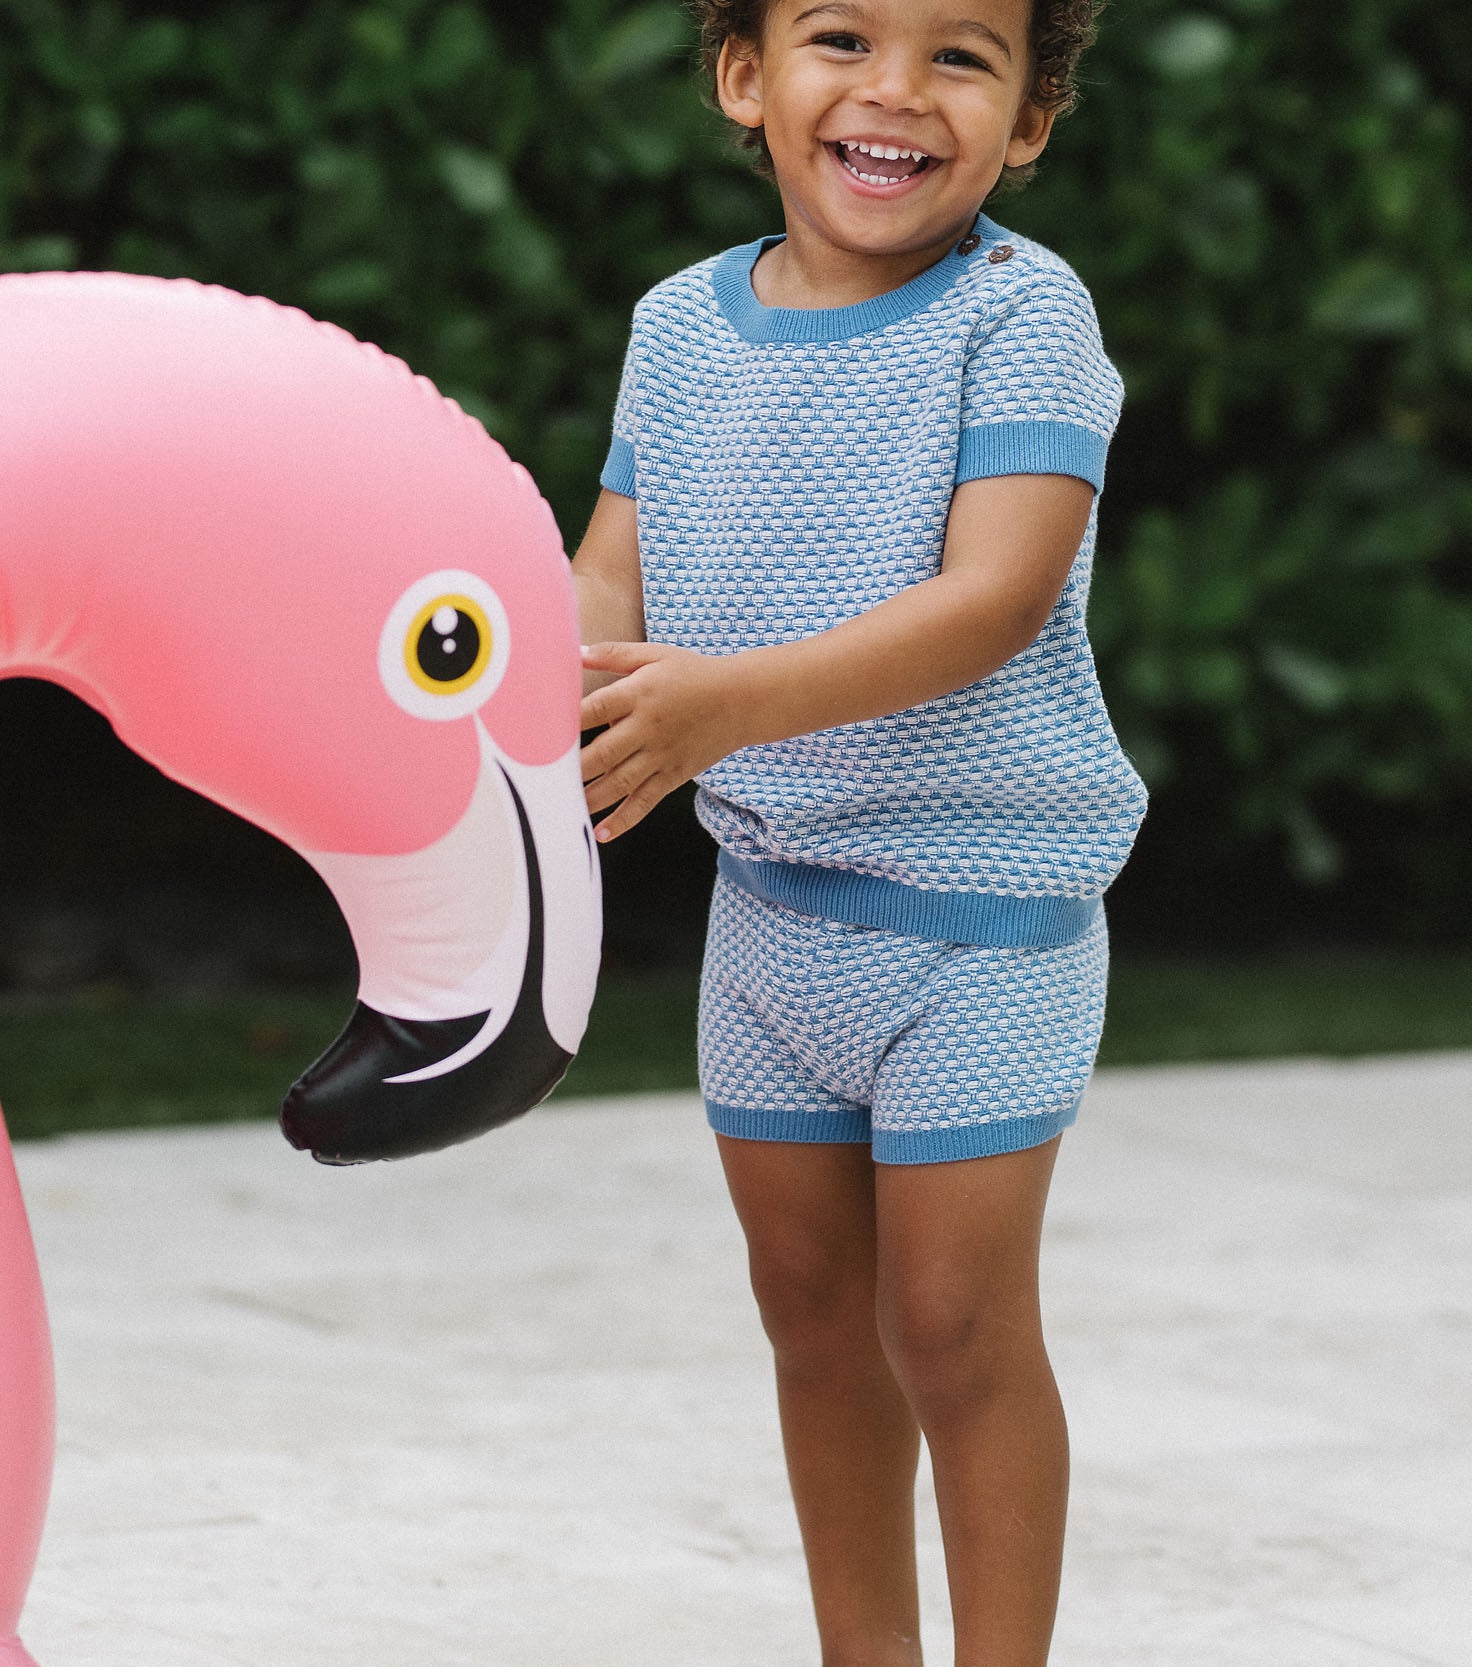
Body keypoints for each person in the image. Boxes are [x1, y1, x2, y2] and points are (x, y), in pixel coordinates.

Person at [569, 1, 1141, 1661]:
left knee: (953, 1328)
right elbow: (612, 567)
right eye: (840, 36)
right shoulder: (680, 328)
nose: (894, 90)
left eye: (961, 56)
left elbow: (993, 599)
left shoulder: (1020, 315)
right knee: (811, 1318)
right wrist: (542, 675)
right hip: (771, 915)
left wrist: (723, 708)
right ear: (745, 76)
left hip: (980, 922)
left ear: (1028, 122)